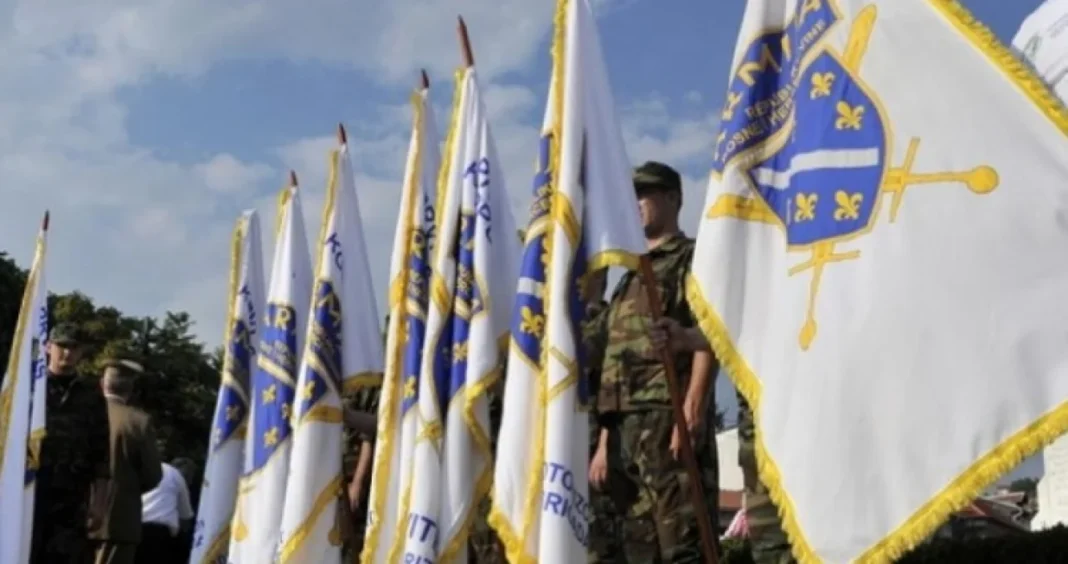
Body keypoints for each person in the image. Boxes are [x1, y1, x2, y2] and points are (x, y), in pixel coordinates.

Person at [585, 161, 720, 563]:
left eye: (644, 194)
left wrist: (693, 407)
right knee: (639, 548)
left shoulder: (691, 259)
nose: (636, 203)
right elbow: (607, 362)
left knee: (682, 543)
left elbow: (710, 333)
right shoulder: (629, 277)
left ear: (673, 199)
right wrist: (605, 443)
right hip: (625, 429)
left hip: (668, 419)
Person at [651, 317, 794, 564]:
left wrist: (693, 405)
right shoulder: (754, 282)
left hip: (811, 430)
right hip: (760, 442)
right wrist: (689, 337)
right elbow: (746, 320)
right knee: (771, 549)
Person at [31, 322, 111, 564]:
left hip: (72, 498)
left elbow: (101, 452)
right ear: (48, 347)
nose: (67, 353)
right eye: (62, 346)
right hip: (31, 491)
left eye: (74, 348)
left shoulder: (91, 394)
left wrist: (99, 504)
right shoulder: (31, 388)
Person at [90, 355, 164, 564]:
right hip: (120, 520)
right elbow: (153, 475)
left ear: (102, 383)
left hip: (75, 516)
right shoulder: (139, 422)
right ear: (130, 389)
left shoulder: (84, 414)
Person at [139, 459, 195, 564]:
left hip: (135, 528)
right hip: (159, 536)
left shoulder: (149, 468)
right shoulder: (177, 476)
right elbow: (186, 517)